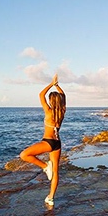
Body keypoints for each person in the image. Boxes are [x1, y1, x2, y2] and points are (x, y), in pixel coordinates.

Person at [19, 74, 65, 207]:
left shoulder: (49, 111)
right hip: (57, 143)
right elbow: (64, 97)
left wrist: (51, 84)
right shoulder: (62, 111)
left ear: (51, 101)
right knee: (56, 172)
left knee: (24, 155)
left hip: (48, 142)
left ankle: (45, 166)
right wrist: (58, 87)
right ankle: (50, 197)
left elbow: (41, 95)